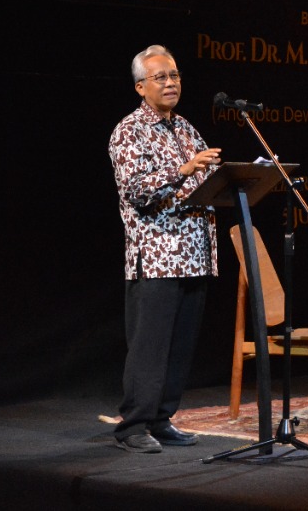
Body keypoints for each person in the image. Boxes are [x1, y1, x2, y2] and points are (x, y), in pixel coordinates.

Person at [107, 45, 222, 452]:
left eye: (174, 75)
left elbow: (208, 179)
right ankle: (133, 426)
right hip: (156, 257)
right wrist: (183, 169)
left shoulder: (187, 128)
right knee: (150, 347)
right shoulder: (129, 131)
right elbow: (136, 189)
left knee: (180, 344)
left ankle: (161, 418)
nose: (171, 83)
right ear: (141, 87)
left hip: (194, 253)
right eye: (161, 77)